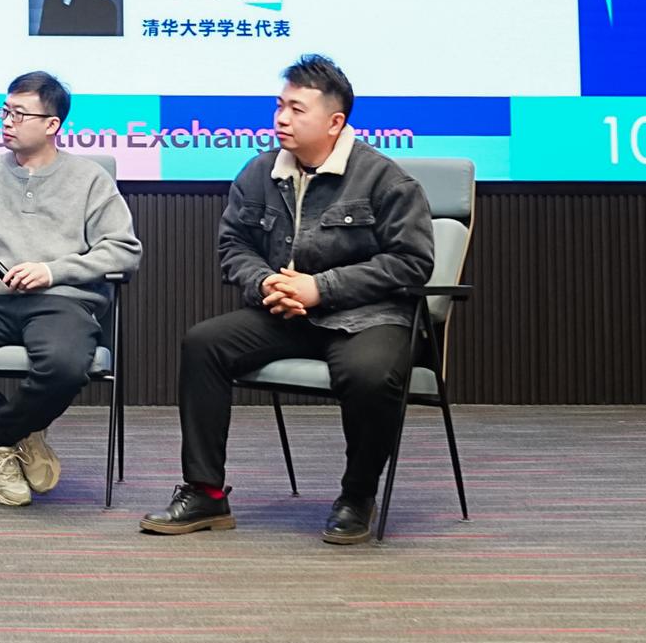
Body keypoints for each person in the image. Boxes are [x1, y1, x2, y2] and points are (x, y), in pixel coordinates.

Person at [142, 54, 433, 545]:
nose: (281, 118)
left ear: (334, 122)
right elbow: (234, 245)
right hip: (285, 313)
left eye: (297, 109)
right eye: (280, 106)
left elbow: (411, 262)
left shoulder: (386, 179)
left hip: (368, 318)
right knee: (204, 343)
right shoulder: (260, 171)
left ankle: (357, 495)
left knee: (369, 374)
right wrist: (266, 285)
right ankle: (206, 492)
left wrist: (321, 288)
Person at [0, 70, 140, 506]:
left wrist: (53, 271)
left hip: (61, 301)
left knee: (64, 367)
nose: (7, 121)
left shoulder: (90, 179)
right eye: (5, 111)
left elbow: (124, 250)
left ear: (52, 124)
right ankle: (20, 433)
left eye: (19, 114)